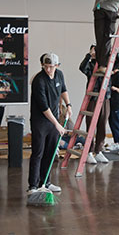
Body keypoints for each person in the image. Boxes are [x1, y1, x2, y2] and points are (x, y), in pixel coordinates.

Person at [28, 53, 72, 194]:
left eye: (51, 67)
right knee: (38, 153)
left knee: (51, 152)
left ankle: (45, 183)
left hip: (53, 120)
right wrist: (57, 124)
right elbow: (44, 107)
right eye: (45, 66)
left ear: (57, 66)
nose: (48, 70)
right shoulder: (38, 81)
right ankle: (33, 186)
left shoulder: (59, 75)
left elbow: (63, 90)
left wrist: (68, 105)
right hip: (40, 121)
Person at [79, 45, 111, 164]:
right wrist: (89, 55)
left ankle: (99, 151)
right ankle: (88, 151)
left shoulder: (108, 64)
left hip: (105, 98)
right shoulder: (91, 64)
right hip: (93, 98)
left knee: (102, 125)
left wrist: (112, 52)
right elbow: (82, 68)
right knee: (91, 125)